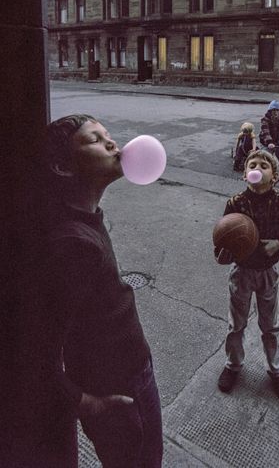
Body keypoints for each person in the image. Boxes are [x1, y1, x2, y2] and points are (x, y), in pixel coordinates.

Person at [26, 114, 163, 468]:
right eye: (94, 140)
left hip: (128, 373)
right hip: (120, 390)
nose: (112, 143)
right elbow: (34, 350)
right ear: (62, 167)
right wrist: (86, 403)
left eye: (108, 134)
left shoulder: (81, 217)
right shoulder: (73, 244)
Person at [214, 149, 279, 401]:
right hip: (241, 273)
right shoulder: (235, 203)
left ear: (274, 176)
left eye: (264, 165)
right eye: (252, 164)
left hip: (267, 273)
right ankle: (233, 365)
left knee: (270, 326)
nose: (257, 167)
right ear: (245, 175)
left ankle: (276, 371)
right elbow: (223, 239)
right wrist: (222, 254)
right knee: (236, 326)